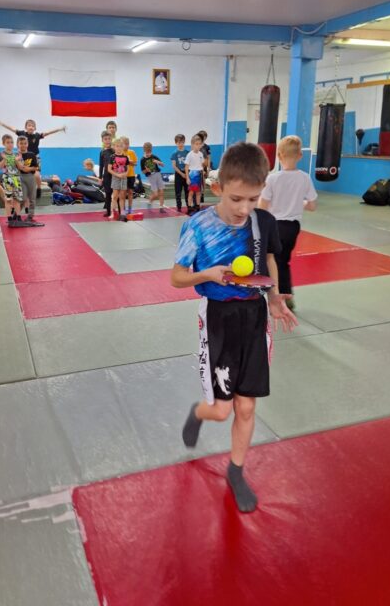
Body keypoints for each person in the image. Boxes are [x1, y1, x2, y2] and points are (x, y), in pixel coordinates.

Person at [171, 142, 297, 513]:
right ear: (218, 187)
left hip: (254, 318)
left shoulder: (264, 222)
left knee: (246, 407)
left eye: (253, 199)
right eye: (237, 199)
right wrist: (207, 274)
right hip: (218, 319)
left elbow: (269, 261)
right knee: (223, 410)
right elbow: (177, 277)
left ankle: (236, 470)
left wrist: (274, 298)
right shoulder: (198, 225)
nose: (244, 208)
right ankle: (199, 412)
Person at [258, 135, 317, 310]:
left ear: (278, 155)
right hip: (293, 227)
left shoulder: (272, 179)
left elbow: (262, 205)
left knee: (270, 260)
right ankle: (285, 294)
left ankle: (274, 294)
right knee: (283, 261)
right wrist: (300, 203)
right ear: (300, 155)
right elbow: (312, 206)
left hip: (275, 225)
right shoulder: (305, 178)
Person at [0, 118, 65, 199]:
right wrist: (1, 124)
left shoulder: (37, 136)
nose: (31, 127)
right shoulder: (22, 133)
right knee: (21, 173)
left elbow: (48, 133)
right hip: (23, 157)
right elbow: (12, 129)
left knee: (37, 175)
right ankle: (21, 187)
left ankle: (38, 188)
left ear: (35, 128)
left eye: (33, 126)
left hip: (35, 157)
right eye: (29, 125)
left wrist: (59, 129)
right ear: (26, 127)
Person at [15, 135, 43, 226]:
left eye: (25, 143)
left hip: (31, 177)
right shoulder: (16, 156)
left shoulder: (32, 155)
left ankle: (30, 216)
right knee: (22, 198)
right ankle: (16, 215)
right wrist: (19, 163)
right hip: (20, 177)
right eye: (21, 143)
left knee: (32, 198)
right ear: (17, 144)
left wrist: (29, 169)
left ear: (27, 144)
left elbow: (36, 167)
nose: (23, 145)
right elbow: (17, 168)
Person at [0, 134, 23, 226]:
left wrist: (17, 160)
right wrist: (4, 159)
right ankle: (9, 217)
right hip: (7, 178)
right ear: (3, 143)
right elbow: (0, 167)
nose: (10, 144)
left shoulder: (16, 154)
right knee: (8, 199)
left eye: (12, 142)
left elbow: (20, 167)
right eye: (8, 142)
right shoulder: (2, 154)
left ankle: (18, 216)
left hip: (16, 178)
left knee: (17, 198)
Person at [140, 142, 166, 212]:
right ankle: (149, 202)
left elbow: (163, 164)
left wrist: (158, 162)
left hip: (158, 174)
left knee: (161, 191)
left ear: (151, 150)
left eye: (150, 152)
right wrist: (146, 170)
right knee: (155, 193)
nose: (148, 153)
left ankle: (161, 207)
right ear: (144, 150)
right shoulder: (142, 160)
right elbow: (143, 171)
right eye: (147, 152)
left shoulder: (154, 156)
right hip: (151, 176)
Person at [108, 138, 129, 221]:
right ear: (114, 147)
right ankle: (112, 212)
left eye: (120, 146)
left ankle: (122, 213)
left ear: (123, 147)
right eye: (117, 146)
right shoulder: (112, 157)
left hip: (123, 178)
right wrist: (117, 175)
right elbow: (109, 169)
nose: (119, 148)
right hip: (115, 177)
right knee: (115, 196)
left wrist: (125, 174)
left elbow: (127, 169)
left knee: (122, 196)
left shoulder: (126, 157)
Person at [185, 135, 205, 215]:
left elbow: (201, 165)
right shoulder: (190, 154)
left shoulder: (201, 154)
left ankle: (197, 206)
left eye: (199, 144)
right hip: (193, 175)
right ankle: (189, 208)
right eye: (196, 144)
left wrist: (203, 173)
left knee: (198, 192)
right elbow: (186, 167)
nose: (198, 146)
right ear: (192, 144)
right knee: (191, 192)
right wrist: (187, 178)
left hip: (199, 174)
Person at [171, 134, 189, 212]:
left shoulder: (187, 152)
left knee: (187, 191)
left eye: (182, 142)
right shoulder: (174, 153)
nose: (180, 144)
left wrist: (186, 173)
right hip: (179, 174)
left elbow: (189, 164)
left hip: (186, 173)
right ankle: (179, 207)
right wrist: (182, 174)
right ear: (176, 143)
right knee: (178, 191)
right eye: (178, 142)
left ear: (184, 142)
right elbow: (174, 166)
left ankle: (189, 206)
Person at [99, 131, 114, 218]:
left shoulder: (114, 150)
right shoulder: (102, 152)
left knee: (116, 194)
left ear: (111, 139)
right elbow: (101, 165)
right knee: (108, 194)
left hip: (115, 175)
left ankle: (118, 210)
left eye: (109, 139)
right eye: (105, 139)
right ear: (102, 140)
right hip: (106, 176)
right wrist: (100, 177)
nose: (107, 141)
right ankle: (108, 212)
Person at [121, 136, 138, 214]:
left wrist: (130, 162)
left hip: (131, 175)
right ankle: (123, 208)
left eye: (128, 143)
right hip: (123, 175)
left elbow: (135, 163)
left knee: (130, 192)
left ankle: (130, 208)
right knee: (123, 193)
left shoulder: (132, 152)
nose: (127, 145)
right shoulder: (120, 153)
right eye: (125, 144)